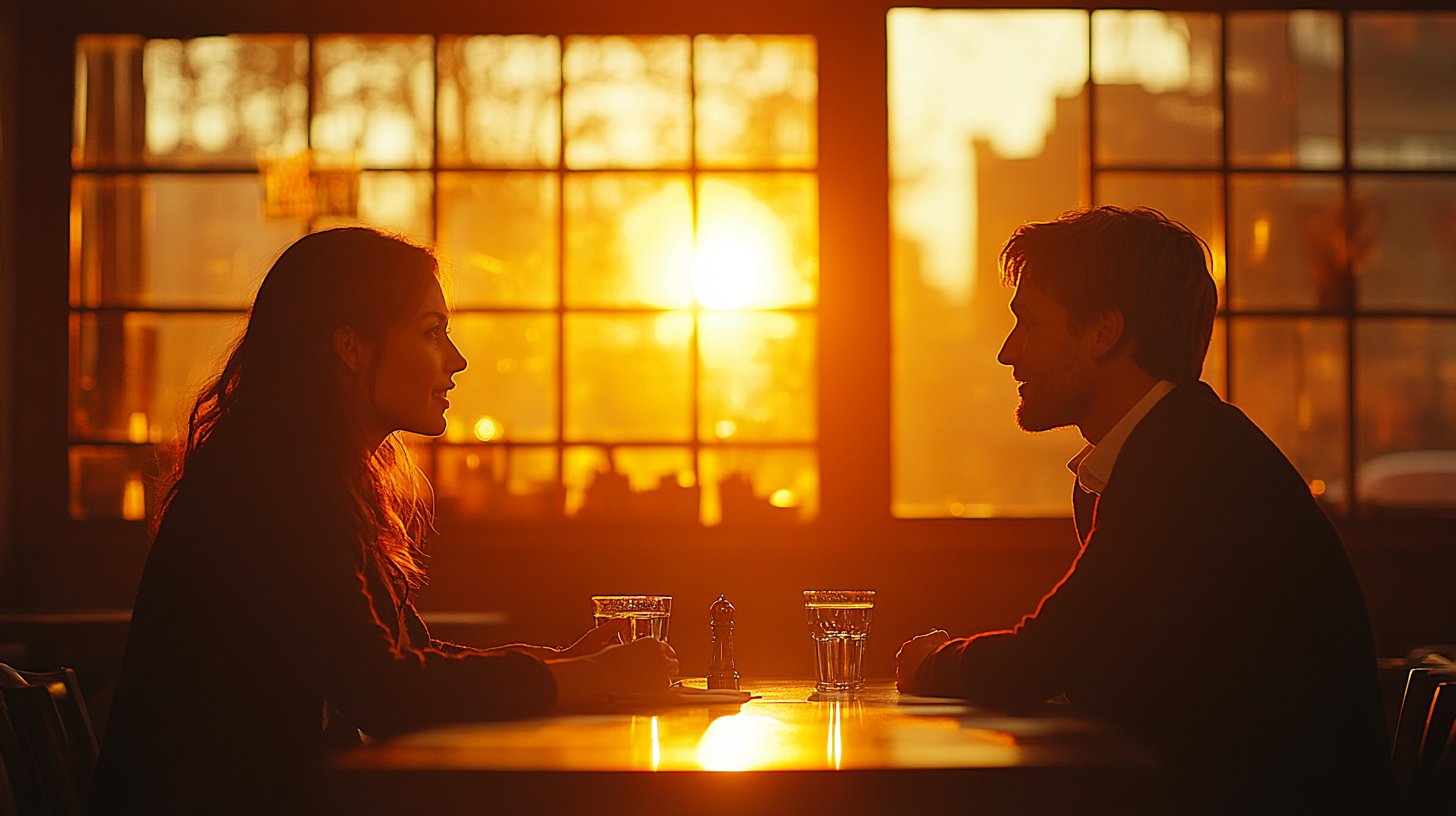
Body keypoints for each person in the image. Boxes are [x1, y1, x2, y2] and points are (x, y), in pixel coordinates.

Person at [91, 227, 678, 815]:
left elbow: (400, 654)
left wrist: (565, 662)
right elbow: (382, 687)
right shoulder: (281, 488)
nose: (457, 360)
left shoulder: (296, 471)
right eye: (431, 333)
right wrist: (585, 677)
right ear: (350, 346)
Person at [895, 206, 1393, 814]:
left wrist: (929, 661)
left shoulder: (1187, 466)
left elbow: (1051, 654)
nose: (1007, 352)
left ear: (1104, 332)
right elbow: (1101, 661)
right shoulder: (1174, 446)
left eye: (1028, 323)